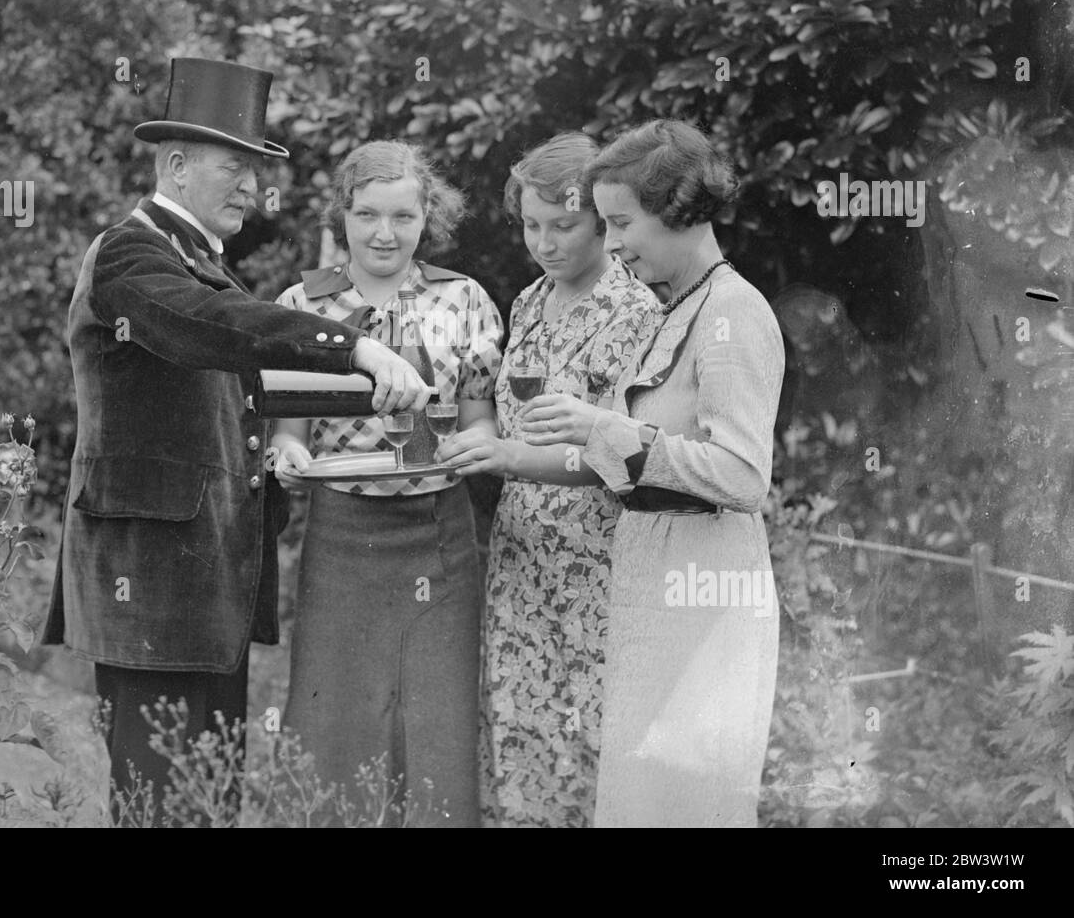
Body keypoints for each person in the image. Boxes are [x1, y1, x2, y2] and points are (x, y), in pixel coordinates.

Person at [40, 58, 430, 825]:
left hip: (202, 588)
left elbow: (225, 388)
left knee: (204, 803)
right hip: (149, 587)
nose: (255, 187)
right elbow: (210, 330)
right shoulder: (130, 252)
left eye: (259, 168)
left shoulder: (200, 261)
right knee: (163, 806)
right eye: (237, 166)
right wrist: (352, 347)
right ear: (177, 165)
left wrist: (277, 454)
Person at [484, 119, 786, 827]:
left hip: (704, 588)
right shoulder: (681, 307)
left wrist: (605, 429)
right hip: (658, 580)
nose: (613, 242)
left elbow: (744, 475)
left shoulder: (732, 313)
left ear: (677, 209)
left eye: (621, 222)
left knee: (687, 804)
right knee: (642, 803)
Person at [269, 140, 503, 827]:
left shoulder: (463, 300)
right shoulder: (301, 304)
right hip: (344, 533)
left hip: (439, 532)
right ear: (343, 215)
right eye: (367, 214)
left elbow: (482, 421)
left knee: (437, 720)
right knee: (334, 718)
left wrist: (473, 445)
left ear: (426, 216)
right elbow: (290, 430)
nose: (383, 233)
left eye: (403, 216)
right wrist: (287, 457)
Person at [458, 132, 660, 827]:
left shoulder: (640, 314)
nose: (544, 243)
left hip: (598, 568)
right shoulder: (524, 304)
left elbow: (622, 456)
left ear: (603, 218)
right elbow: (499, 415)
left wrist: (510, 458)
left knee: (597, 749)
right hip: (521, 564)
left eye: (563, 225)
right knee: (520, 741)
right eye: (530, 225)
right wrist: (483, 439)